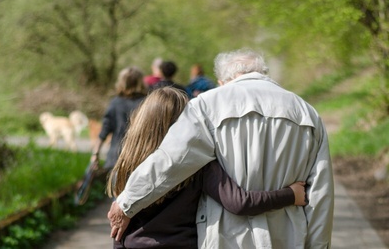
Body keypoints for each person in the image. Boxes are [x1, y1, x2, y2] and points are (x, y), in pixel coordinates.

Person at [108, 48, 334, 248]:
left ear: (223, 81)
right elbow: (321, 194)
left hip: (227, 236)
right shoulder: (308, 113)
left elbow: (171, 160)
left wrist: (127, 203)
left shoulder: (206, 106)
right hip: (289, 235)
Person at [91, 66, 147, 171]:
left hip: (116, 157)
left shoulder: (115, 103)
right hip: (140, 158)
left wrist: (95, 153)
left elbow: (105, 130)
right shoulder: (147, 103)